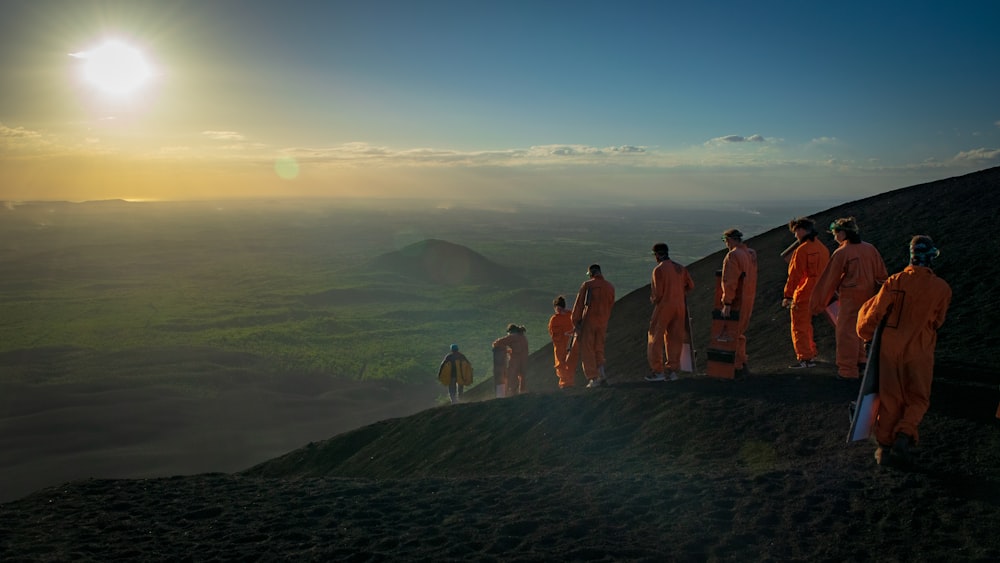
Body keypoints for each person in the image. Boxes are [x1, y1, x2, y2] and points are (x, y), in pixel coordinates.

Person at [857, 235, 951, 466]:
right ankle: (905, 432)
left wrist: (866, 334)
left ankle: (884, 449)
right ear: (930, 257)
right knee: (918, 397)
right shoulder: (942, 288)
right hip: (920, 350)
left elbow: (876, 311)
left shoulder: (895, 281)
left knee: (890, 399)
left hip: (890, 348)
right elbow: (938, 321)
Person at [810, 217, 888, 380]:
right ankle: (861, 360)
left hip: (851, 298)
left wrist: (817, 304)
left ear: (843, 233)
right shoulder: (870, 248)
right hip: (870, 297)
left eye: (835, 233)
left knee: (846, 333)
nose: (834, 236)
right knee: (862, 329)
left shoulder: (842, 252)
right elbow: (882, 275)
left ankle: (847, 370)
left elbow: (829, 280)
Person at [782, 217, 830, 369]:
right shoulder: (822, 248)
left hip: (804, 293)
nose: (795, 235)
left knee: (799, 326)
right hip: (820, 291)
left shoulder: (802, 250)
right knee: (807, 325)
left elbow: (794, 275)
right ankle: (811, 353)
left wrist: (788, 295)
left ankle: (805, 358)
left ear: (801, 230)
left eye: (796, 232)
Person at [644, 242, 694, 382]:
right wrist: (679, 294)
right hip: (680, 307)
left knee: (655, 337)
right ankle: (672, 371)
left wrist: (654, 299)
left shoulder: (659, 270)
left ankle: (657, 371)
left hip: (665, 306)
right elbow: (690, 285)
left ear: (657, 254)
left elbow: (657, 294)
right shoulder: (680, 268)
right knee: (674, 338)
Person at [719, 228, 757, 378]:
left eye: (725, 241)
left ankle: (736, 368)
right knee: (740, 333)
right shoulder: (750, 254)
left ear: (729, 239)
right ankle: (742, 364)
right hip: (749, 298)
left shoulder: (733, 256)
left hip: (738, 300)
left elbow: (730, 281)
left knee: (733, 332)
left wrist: (727, 302)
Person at [570, 264, 616, 388]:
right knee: (599, 347)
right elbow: (611, 305)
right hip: (603, 322)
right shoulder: (610, 287)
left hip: (589, 322)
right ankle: (602, 373)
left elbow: (580, 304)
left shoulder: (588, 285)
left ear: (591, 273)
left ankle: (593, 378)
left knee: (588, 349)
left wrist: (576, 321)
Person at [548, 295, 576, 389]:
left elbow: (553, 334)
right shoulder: (571, 315)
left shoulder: (555, 319)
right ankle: (567, 383)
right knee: (566, 364)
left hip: (563, 345)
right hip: (568, 344)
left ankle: (565, 383)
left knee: (562, 364)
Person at [493, 324, 529, 396]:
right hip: (524, 360)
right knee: (522, 377)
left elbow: (497, 343)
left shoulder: (513, 337)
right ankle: (522, 392)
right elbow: (521, 349)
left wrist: (503, 349)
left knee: (512, 376)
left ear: (511, 331)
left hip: (515, 360)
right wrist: (510, 351)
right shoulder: (523, 337)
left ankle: (513, 392)